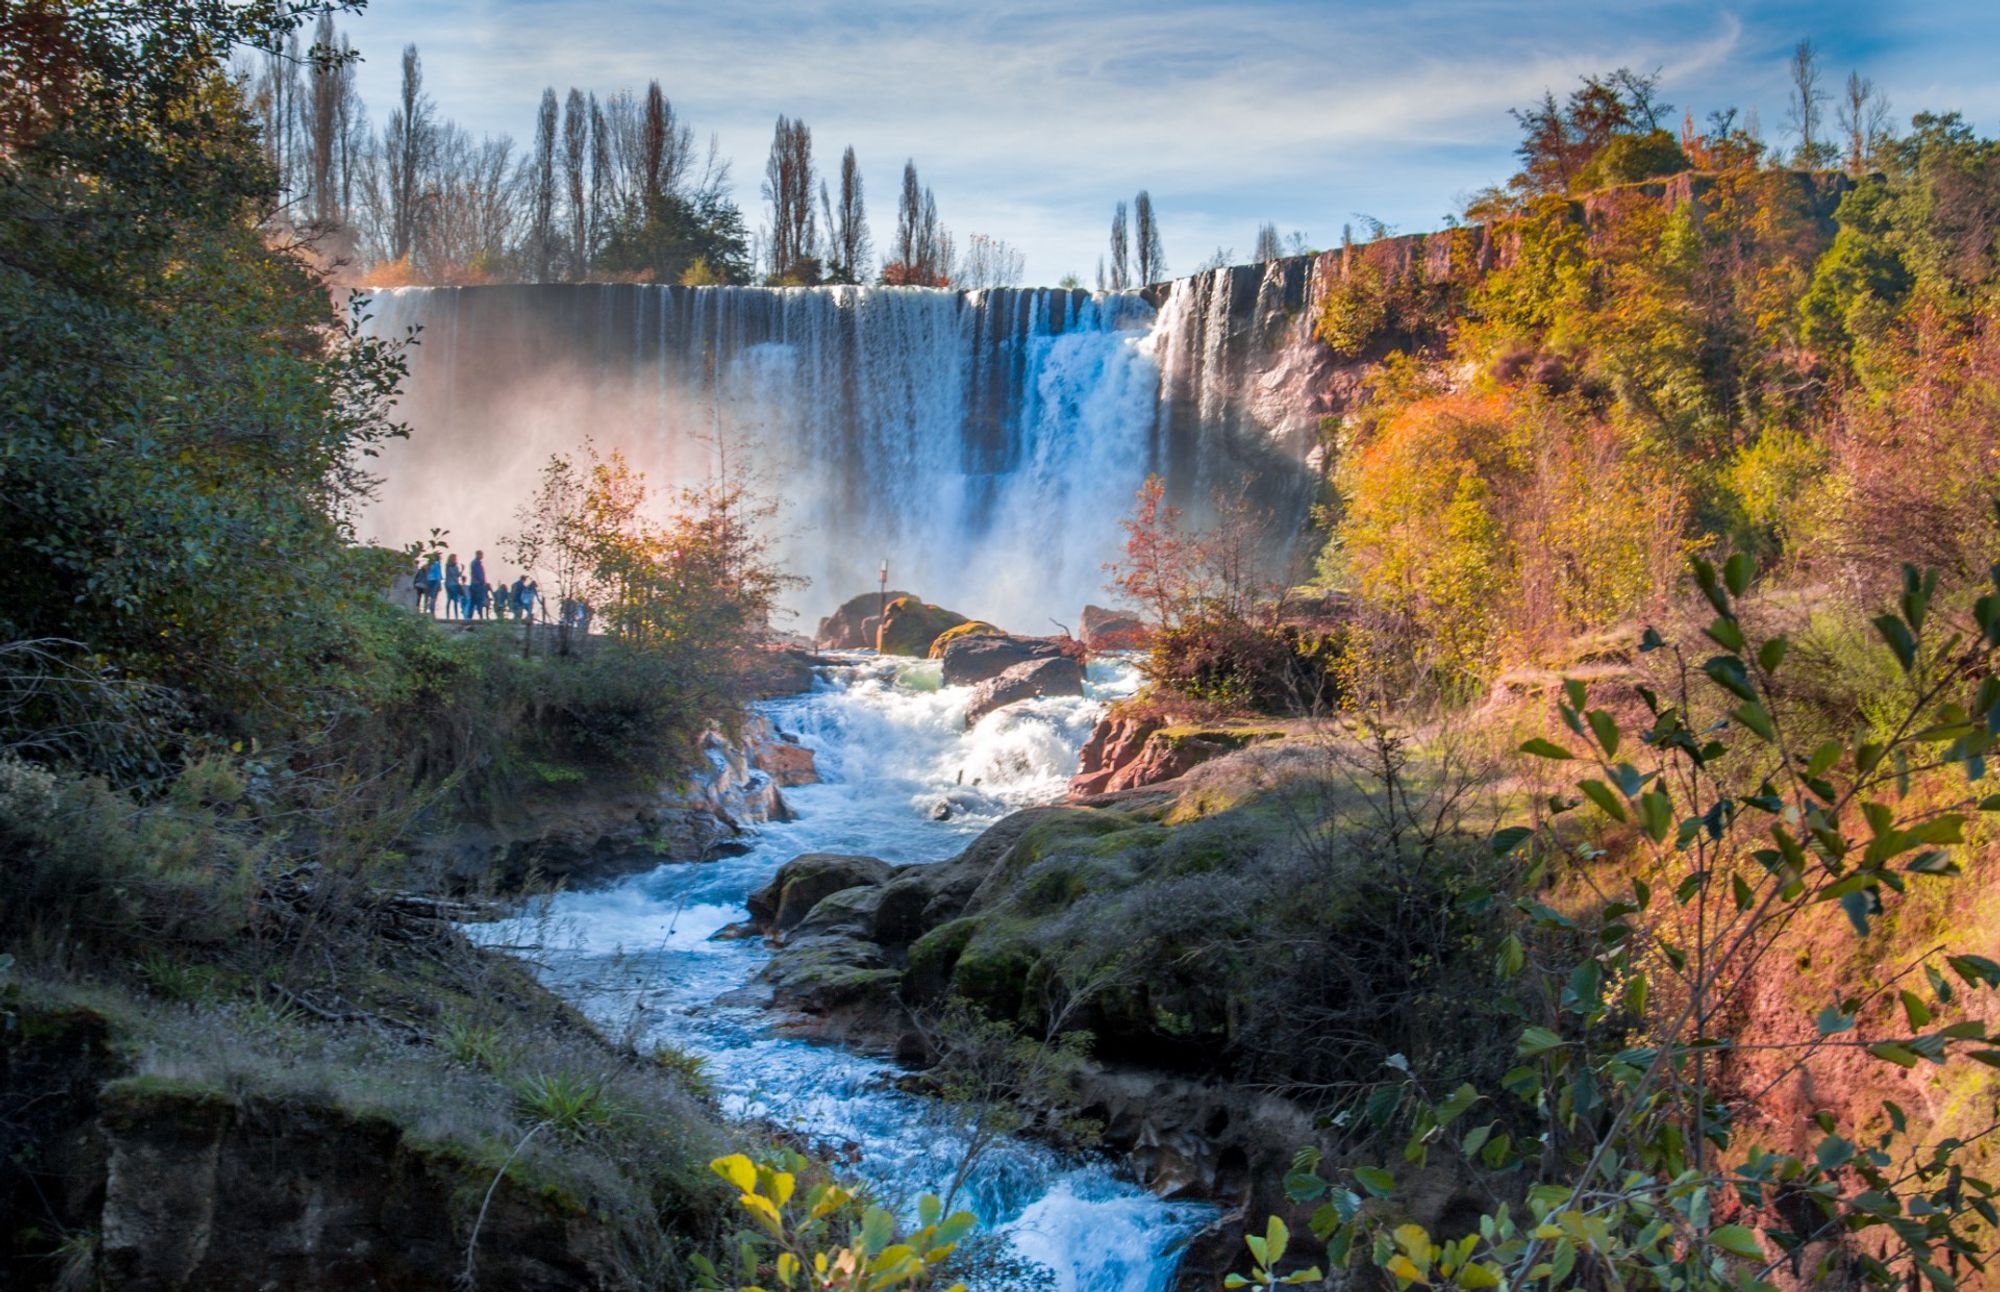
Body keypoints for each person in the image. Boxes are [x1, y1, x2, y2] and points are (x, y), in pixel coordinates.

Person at [469, 549, 489, 620]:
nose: (482, 556)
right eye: (481, 555)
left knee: (472, 602)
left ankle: (469, 617)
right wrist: (483, 582)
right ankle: (480, 617)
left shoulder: (474, 563)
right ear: (478, 555)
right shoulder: (476, 563)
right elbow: (479, 574)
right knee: (478, 601)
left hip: (473, 584)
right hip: (477, 585)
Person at [422, 551, 443, 616]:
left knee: (426, 597)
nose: (441, 558)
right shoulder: (437, 564)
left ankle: (425, 610)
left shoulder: (429, 564)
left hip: (428, 580)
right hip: (435, 581)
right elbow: (438, 575)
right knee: (433, 597)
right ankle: (432, 612)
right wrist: (440, 584)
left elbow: (426, 572)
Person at [444, 554, 465, 620]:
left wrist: (461, 570)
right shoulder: (454, 567)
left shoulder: (447, 566)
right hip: (453, 584)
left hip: (448, 584)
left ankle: (448, 616)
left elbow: (455, 575)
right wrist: (462, 570)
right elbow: (457, 575)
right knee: (455, 601)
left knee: (449, 600)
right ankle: (456, 616)